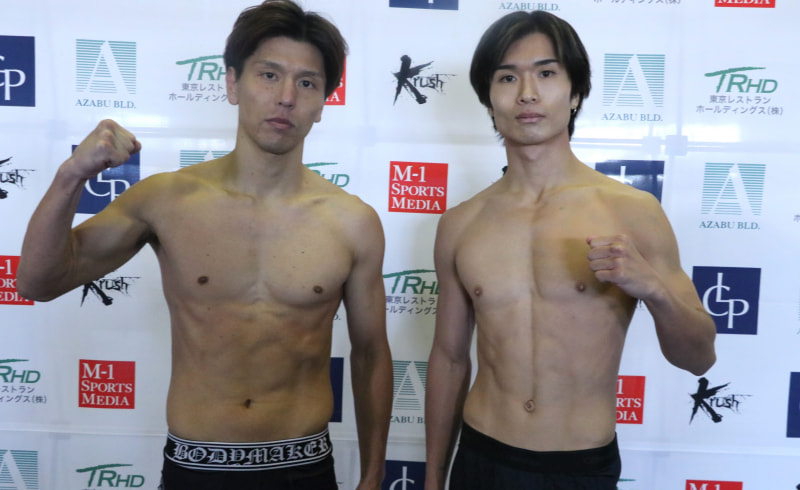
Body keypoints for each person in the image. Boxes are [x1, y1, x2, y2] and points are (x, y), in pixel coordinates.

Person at [17, 1, 393, 488]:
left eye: (306, 83)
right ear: (232, 83)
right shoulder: (166, 200)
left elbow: (370, 354)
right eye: (269, 75)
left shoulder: (352, 222)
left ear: (323, 102)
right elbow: (38, 282)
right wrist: (71, 177)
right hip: (196, 468)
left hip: (304, 468)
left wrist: (373, 474)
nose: (285, 98)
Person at [424, 10, 716, 490]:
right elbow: (450, 358)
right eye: (507, 77)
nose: (527, 93)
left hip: (578, 468)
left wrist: (653, 289)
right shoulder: (461, 224)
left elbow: (699, 358)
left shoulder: (632, 211)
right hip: (481, 457)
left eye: (546, 73)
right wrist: (434, 477)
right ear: (489, 99)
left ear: (576, 92)